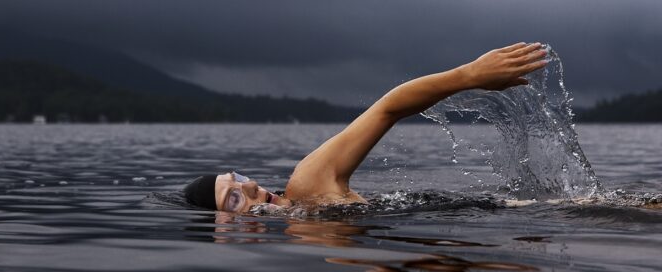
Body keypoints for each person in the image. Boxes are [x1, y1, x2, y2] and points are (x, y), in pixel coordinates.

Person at [184, 42, 549, 212]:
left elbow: (387, 109)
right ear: (224, 232)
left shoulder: (308, 186)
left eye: (239, 178)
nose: (249, 185)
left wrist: (469, 75)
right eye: (233, 198)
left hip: (522, 213)